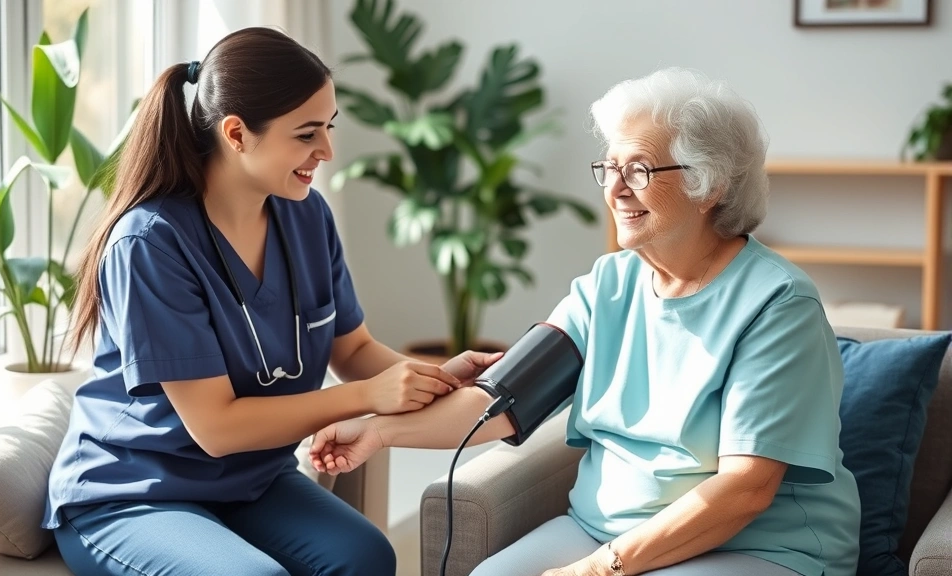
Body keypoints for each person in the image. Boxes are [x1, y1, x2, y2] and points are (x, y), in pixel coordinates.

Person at [309, 68, 862, 576]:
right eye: (610, 167)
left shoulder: (777, 304)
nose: (616, 189)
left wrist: (601, 569)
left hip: (754, 545)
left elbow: (746, 490)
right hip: (603, 530)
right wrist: (379, 432)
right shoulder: (607, 284)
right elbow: (495, 403)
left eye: (640, 170)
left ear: (709, 185)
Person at [44, 27, 501, 576]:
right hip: (134, 492)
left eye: (329, 128)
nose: (326, 152)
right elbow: (217, 428)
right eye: (307, 135)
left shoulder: (306, 214)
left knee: (366, 557)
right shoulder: (150, 243)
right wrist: (367, 397)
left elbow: (351, 346)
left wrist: (437, 378)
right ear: (237, 134)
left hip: (252, 479)